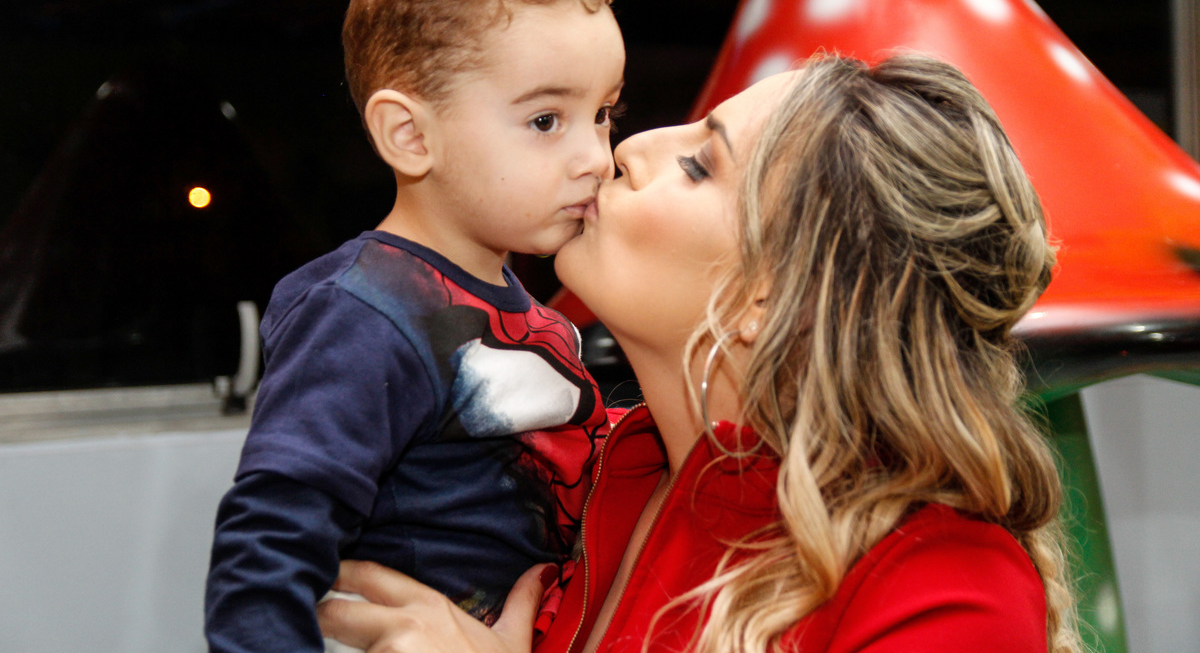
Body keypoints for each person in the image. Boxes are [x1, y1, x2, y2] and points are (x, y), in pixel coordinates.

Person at [315, 54, 1083, 653]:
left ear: (772, 299)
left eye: (700, 165)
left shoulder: (946, 589)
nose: (628, 149)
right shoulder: (575, 473)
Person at [205, 0, 625, 653]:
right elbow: (267, 547)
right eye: (545, 120)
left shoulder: (533, 313)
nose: (596, 156)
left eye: (603, 114)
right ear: (409, 135)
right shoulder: (364, 313)